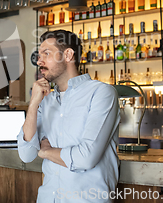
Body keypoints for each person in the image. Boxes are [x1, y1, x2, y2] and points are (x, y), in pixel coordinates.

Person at [17, 30, 120, 202]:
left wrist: (46, 152)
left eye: (46, 54)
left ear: (68, 55)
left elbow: (86, 158)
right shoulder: (45, 100)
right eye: (39, 55)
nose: (39, 61)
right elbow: (26, 155)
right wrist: (33, 105)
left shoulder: (101, 93)